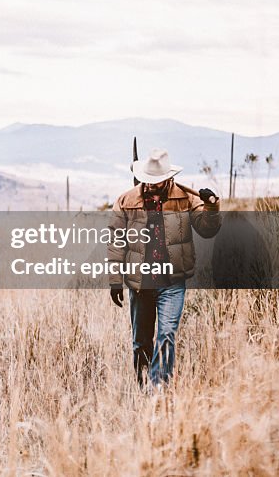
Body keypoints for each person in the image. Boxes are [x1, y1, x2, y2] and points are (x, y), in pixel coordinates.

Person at [107, 147, 221, 387]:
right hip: (140, 282)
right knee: (141, 343)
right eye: (147, 181)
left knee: (166, 335)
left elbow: (208, 230)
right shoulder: (126, 201)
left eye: (155, 181)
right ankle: (142, 386)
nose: (149, 185)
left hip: (172, 282)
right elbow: (116, 241)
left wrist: (211, 207)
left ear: (168, 178)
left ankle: (158, 391)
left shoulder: (185, 198)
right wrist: (115, 280)